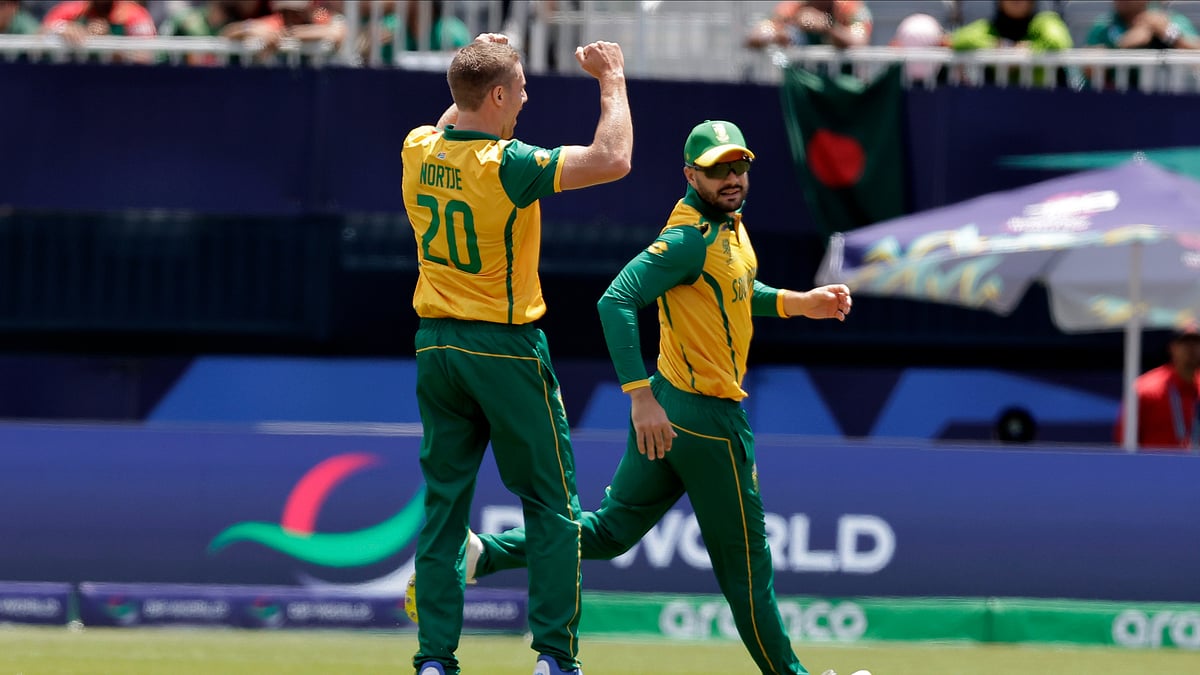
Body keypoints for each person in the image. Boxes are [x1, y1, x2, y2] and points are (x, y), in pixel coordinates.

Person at [463, 120, 856, 675]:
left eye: (739, 166)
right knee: (747, 570)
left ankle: (487, 552)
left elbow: (736, 293)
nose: (732, 178)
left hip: (675, 411)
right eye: (718, 169)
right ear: (690, 174)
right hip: (706, 418)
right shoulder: (689, 238)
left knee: (608, 532)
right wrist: (638, 396)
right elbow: (615, 301)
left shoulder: (728, 229)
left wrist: (799, 302)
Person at [401, 32, 632, 675]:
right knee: (552, 507)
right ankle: (554, 659)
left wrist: (476, 57)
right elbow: (613, 159)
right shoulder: (511, 164)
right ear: (499, 94)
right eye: (522, 88)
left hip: (435, 346)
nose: (527, 98)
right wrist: (610, 78)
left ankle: (434, 661)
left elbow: (453, 114)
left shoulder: (417, 148)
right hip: (505, 348)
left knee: (444, 508)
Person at [1114, 325, 1200, 451]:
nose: (1191, 349)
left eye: (1197, 343)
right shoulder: (1146, 388)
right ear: (1172, 348)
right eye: (1185, 343)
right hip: (1155, 467)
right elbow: (1125, 441)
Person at [949, 0, 1072, 85]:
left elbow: (1058, 41)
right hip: (997, 105)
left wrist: (1028, 51)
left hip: (1043, 104)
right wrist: (999, 47)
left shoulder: (1045, 20)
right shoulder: (989, 27)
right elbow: (959, 40)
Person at [746, 0, 872, 50]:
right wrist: (779, 35)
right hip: (802, 88)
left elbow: (858, 41)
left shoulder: (849, 7)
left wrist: (827, 27)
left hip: (841, 89)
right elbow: (756, 35)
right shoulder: (792, 8)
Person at [1086, 0, 1200, 50]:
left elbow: (1196, 50)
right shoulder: (1103, 25)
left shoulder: (1171, 20)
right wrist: (1120, 46)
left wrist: (1169, 35)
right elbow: (1086, 68)